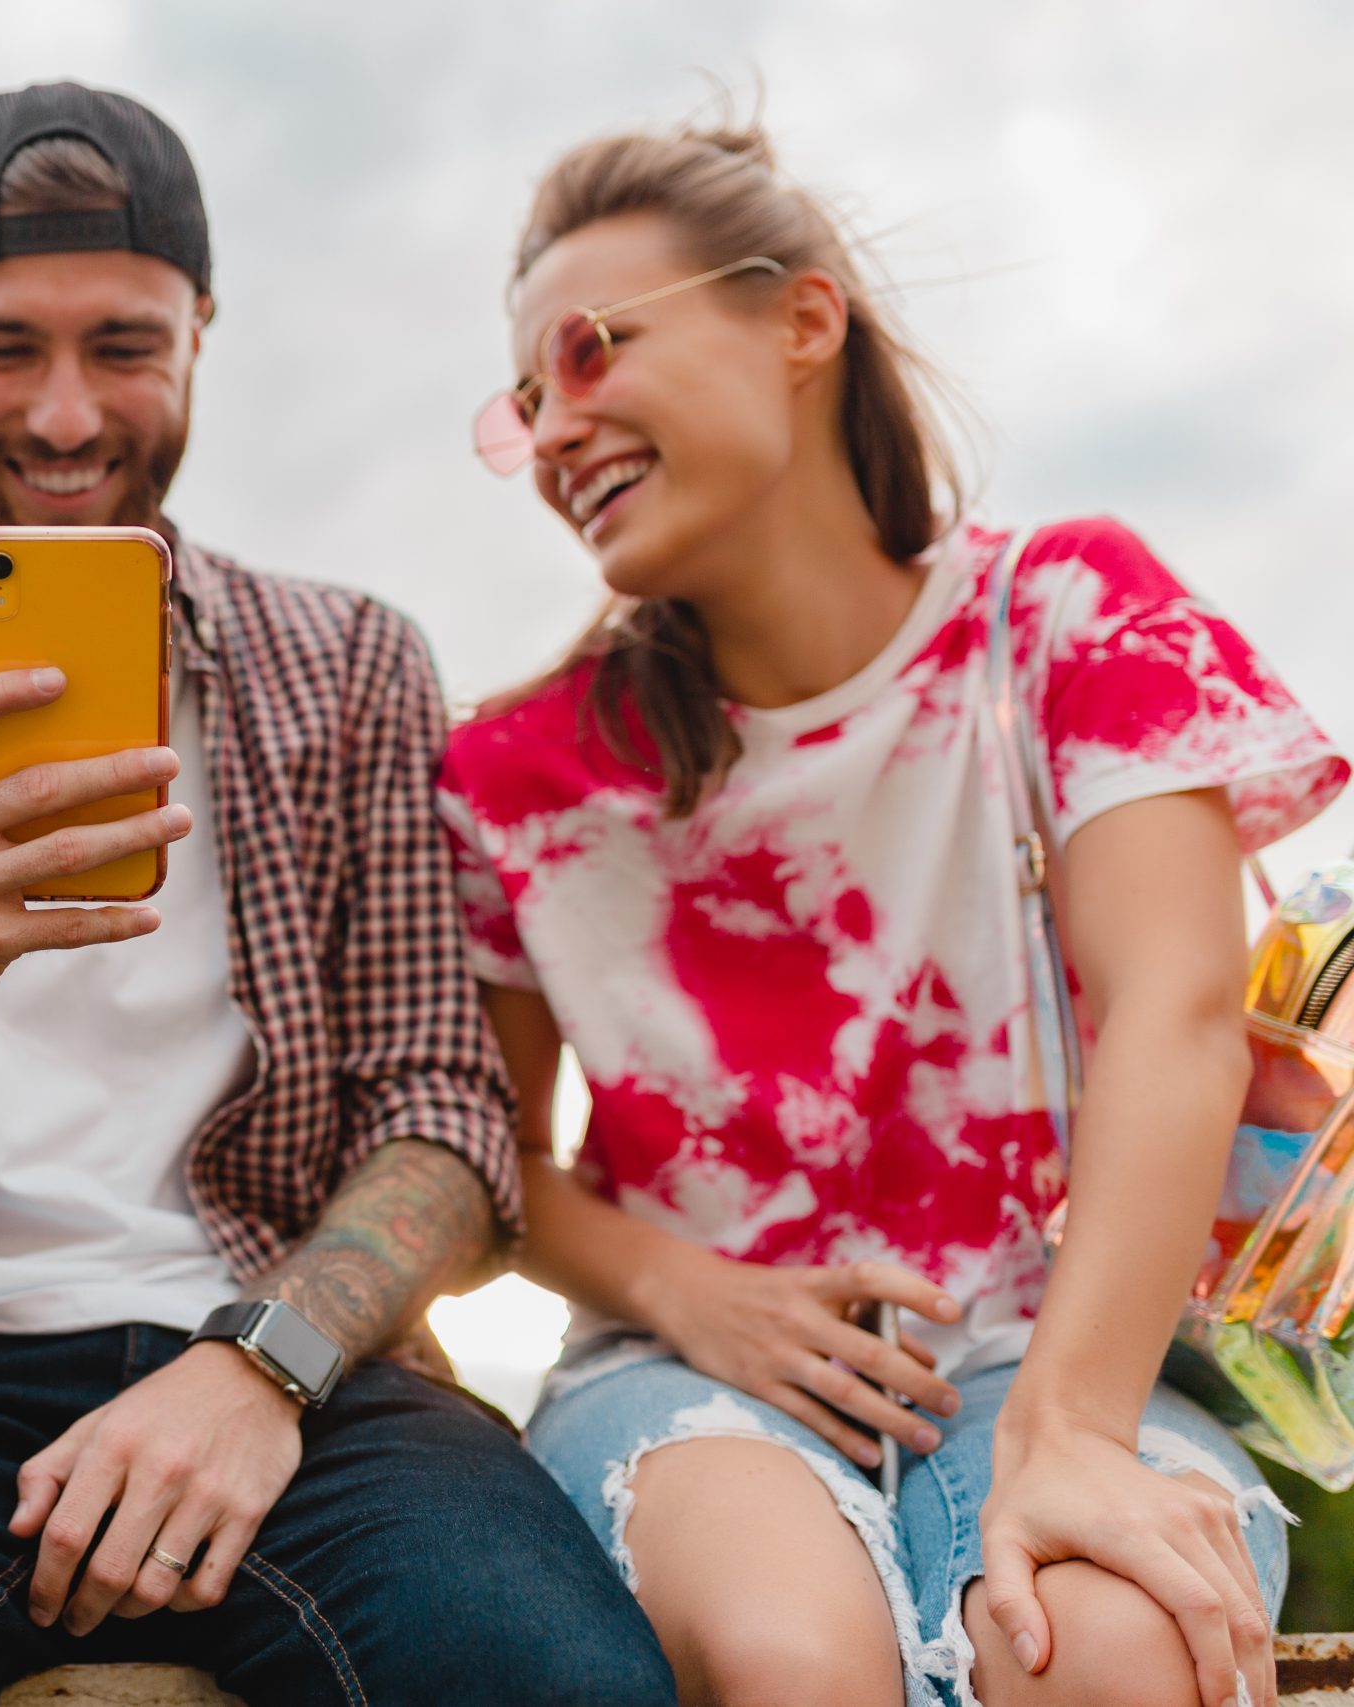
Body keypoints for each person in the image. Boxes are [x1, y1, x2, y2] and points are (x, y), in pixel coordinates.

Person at [0, 81, 677, 1707]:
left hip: (298, 1373)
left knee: (558, 1682)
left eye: (121, 345)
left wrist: (264, 1364)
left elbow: (441, 1117)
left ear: (199, 337)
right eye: (1, 347)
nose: (59, 416)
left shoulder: (352, 661)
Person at [439, 114, 1345, 1707]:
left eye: (591, 353)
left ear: (800, 319)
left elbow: (1176, 1016)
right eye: (526, 403)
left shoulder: (1065, 616)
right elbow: (493, 1162)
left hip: (1067, 1351)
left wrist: (1067, 1432)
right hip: (684, 1370)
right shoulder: (516, 778)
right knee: (798, 1656)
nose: (558, 425)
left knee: (1112, 1654)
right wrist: (693, 1297)